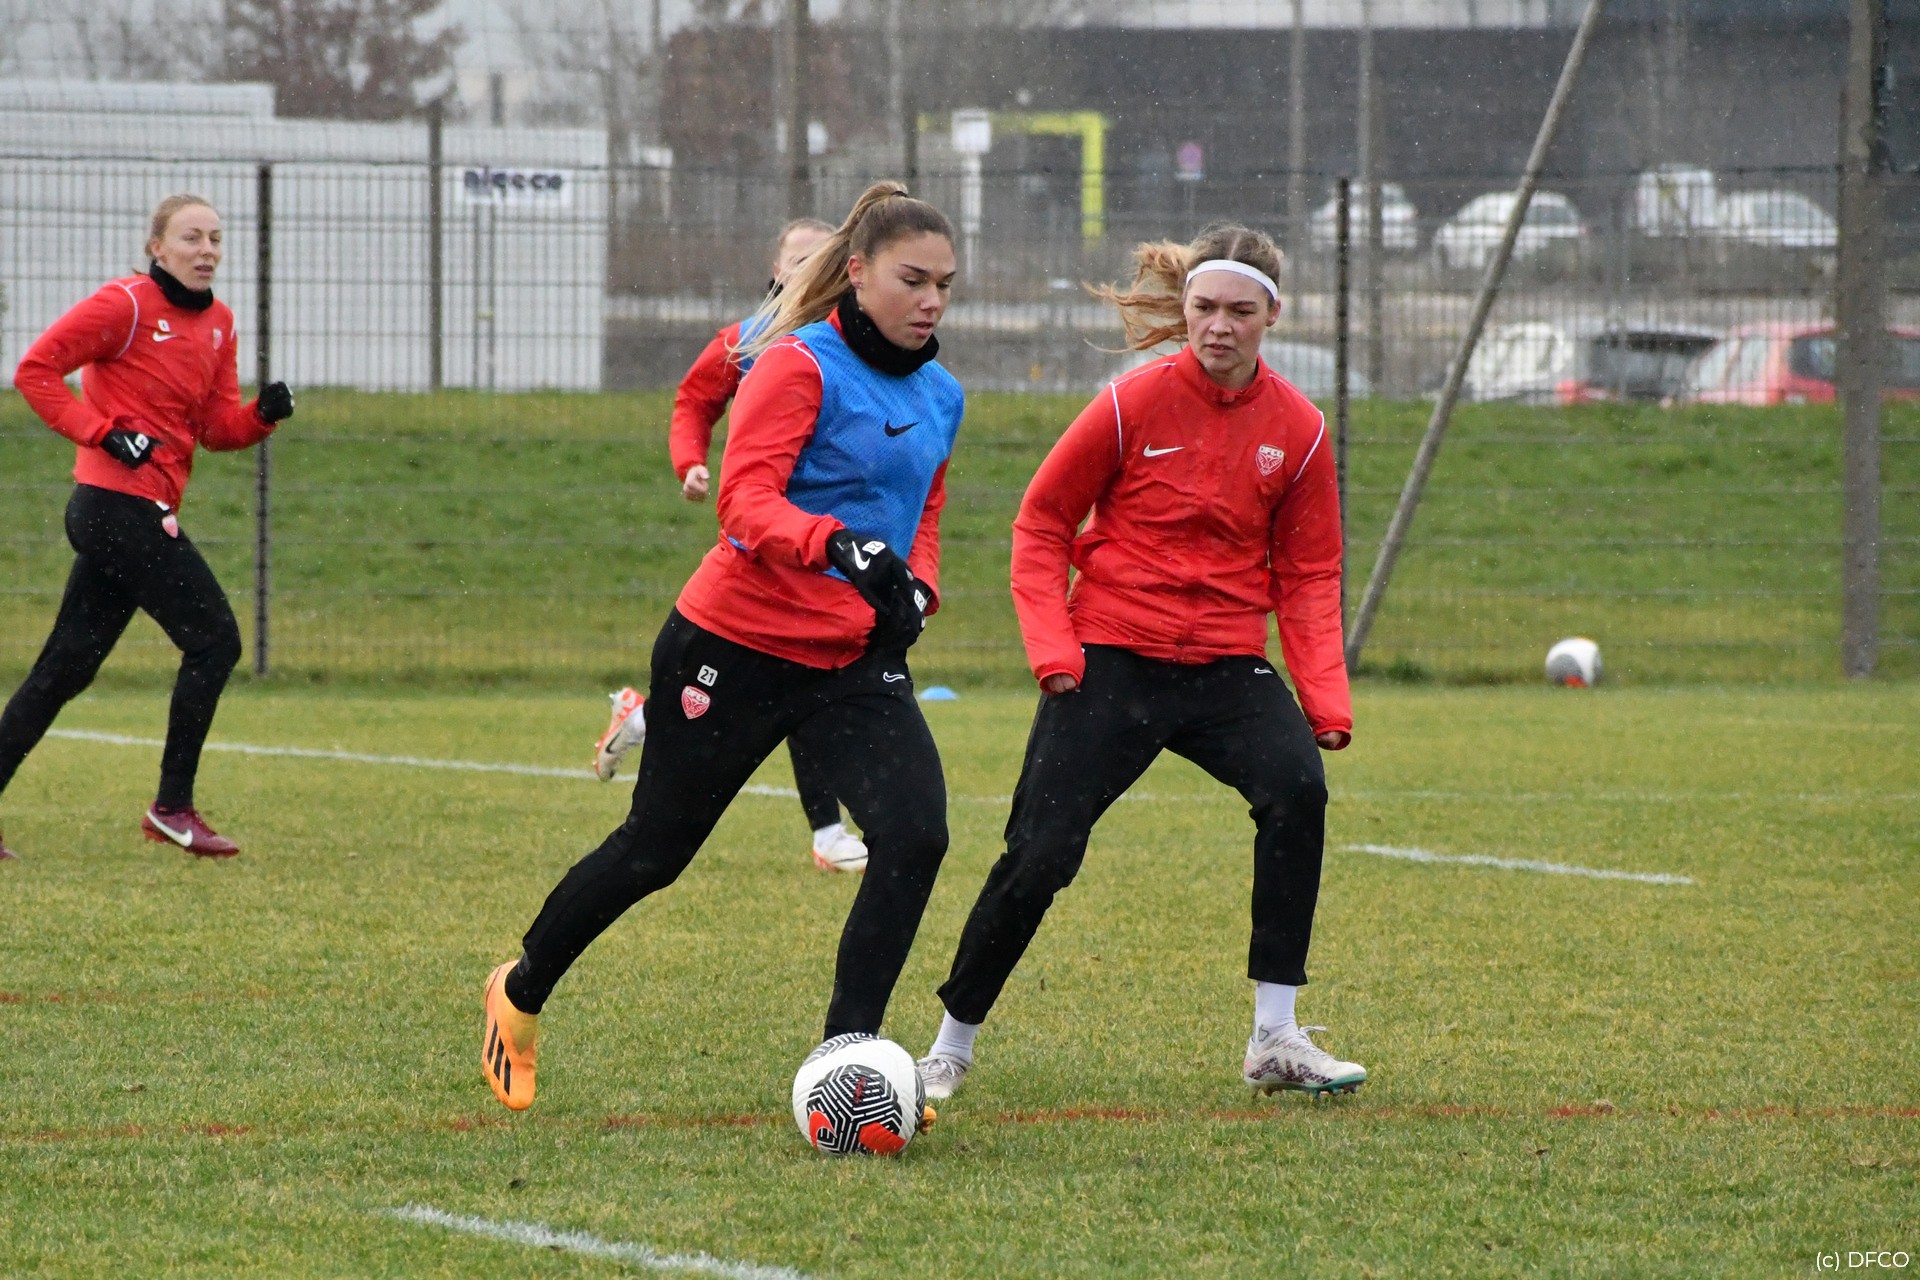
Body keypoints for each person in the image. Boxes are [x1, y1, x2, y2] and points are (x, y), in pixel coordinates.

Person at [482, 181, 963, 1112]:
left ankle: (845, 1062)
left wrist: (920, 584)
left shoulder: (942, 393)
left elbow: (926, 507)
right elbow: (745, 505)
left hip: (854, 659)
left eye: (945, 285)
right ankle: (520, 988)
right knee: (654, 852)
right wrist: (838, 544)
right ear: (858, 272)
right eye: (913, 281)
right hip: (734, 643)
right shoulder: (797, 365)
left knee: (915, 836)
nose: (932, 301)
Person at [915, 224, 1365, 1103]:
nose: (1219, 326)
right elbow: (1041, 523)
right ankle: (949, 1049)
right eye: (1205, 308)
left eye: (1240, 311)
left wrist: (1324, 699)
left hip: (1226, 662)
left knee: (1297, 791)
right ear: (1184, 308)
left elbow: (1311, 572)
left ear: (1273, 315)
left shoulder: (1301, 431)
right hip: (1111, 655)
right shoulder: (1129, 404)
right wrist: (1055, 648)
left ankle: (1276, 1036)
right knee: (1041, 853)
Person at [0, 194, 293, 862]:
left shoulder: (219, 323)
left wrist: (262, 416)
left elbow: (215, 428)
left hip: (136, 513)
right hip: (114, 508)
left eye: (215, 238)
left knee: (63, 670)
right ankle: (171, 808)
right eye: (191, 237)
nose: (206, 249)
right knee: (215, 641)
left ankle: (168, 810)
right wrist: (101, 432)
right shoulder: (125, 305)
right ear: (156, 247)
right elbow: (35, 372)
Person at [592, 218, 871, 873]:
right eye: (798, 260)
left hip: (827, 550)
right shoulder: (749, 341)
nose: (810, 270)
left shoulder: (860, 351)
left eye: (823, 259)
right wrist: (689, 462)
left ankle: (828, 832)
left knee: (799, 683)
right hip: (761, 547)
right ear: (776, 270)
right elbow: (694, 400)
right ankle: (647, 728)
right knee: (755, 690)